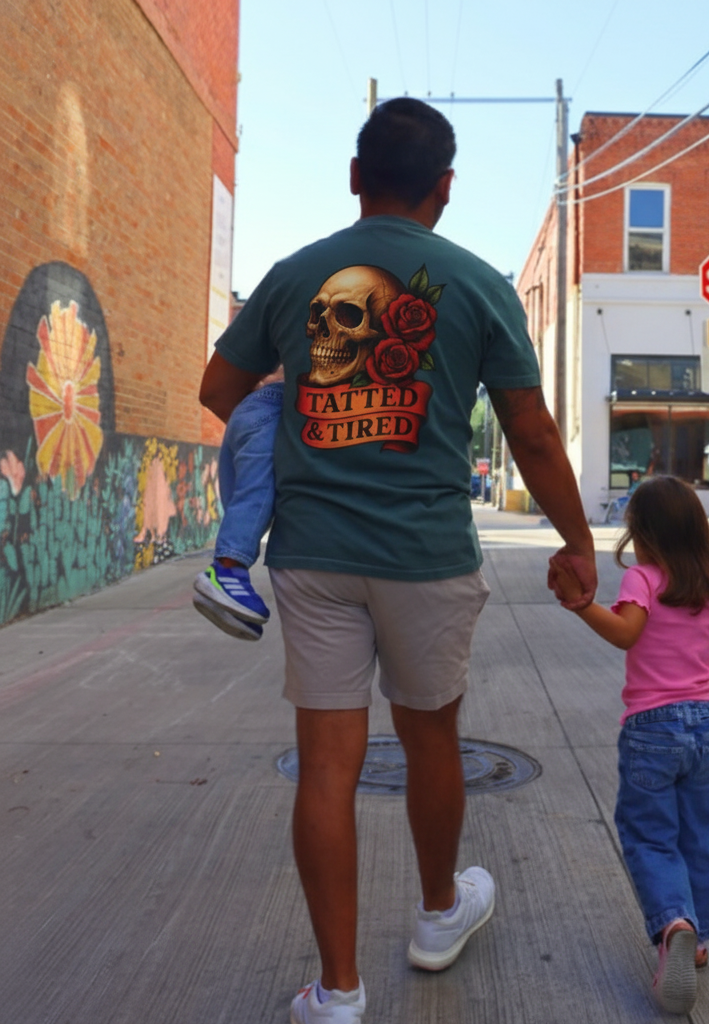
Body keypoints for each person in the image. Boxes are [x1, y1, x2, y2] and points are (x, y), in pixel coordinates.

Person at [198, 98, 596, 1024]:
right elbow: (530, 432)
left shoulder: (296, 277)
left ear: (353, 176)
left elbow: (219, 391)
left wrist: (297, 423)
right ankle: (435, 915)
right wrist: (578, 542)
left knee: (328, 764)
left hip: (314, 553)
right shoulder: (481, 283)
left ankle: (337, 991)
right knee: (431, 742)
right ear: (445, 188)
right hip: (426, 556)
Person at [551, 476, 709, 1015]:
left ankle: (673, 923)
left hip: (651, 728)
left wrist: (580, 606)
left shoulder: (644, 580)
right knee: (699, 832)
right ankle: (700, 939)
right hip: (705, 726)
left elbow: (625, 634)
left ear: (641, 535)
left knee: (649, 836)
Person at [192, 367, 284, 640]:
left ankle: (222, 599)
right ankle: (227, 571)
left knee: (247, 497)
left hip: (248, 409)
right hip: (274, 406)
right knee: (259, 493)